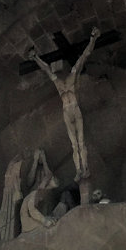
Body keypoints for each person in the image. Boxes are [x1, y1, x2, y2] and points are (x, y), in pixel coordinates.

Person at [28, 28, 100, 182]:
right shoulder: (58, 82)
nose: (58, 70)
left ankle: (85, 168)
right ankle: (79, 170)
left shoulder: (72, 76)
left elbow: (83, 57)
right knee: (74, 145)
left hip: (74, 109)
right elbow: (46, 69)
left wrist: (92, 39)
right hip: (67, 112)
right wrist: (35, 58)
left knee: (80, 142)